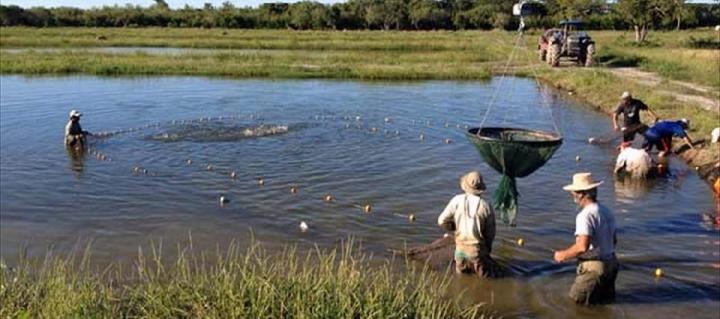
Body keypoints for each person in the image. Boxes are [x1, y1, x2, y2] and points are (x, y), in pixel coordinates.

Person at [554, 172, 618, 305]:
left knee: (575, 306)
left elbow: (582, 246)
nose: (572, 196)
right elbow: (614, 240)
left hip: (594, 269)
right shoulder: (606, 211)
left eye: (573, 193)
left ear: (581, 194)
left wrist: (562, 255)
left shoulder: (584, 216)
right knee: (603, 305)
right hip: (612, 264)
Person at [437, 171, 498, 278]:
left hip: (460, 253)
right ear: (481, 189)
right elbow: (490, 234)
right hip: (477, 253)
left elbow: (441, 221)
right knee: (486, 282)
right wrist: (487, 250)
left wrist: (454, 228)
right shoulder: (486, 207)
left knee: (462, 280)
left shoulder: (456, 200)